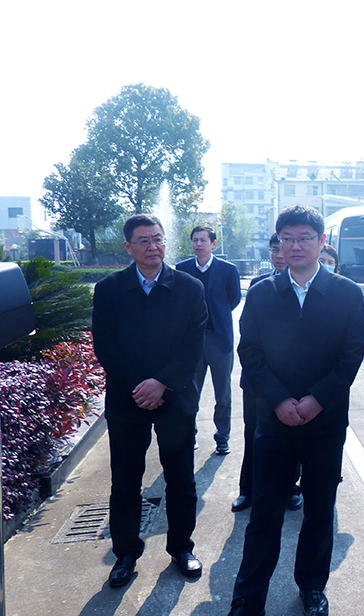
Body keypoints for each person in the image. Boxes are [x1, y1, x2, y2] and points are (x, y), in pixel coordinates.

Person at [228, 205, 364, 616]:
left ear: (321, 242)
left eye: (304, 237)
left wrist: (316, 399)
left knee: (319, 511)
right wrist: (279, 400)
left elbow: (351, 356)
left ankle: (312, 587)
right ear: (278, 244)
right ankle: (248, 598)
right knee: (264, 514)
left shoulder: (346, 293)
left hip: (325, 423)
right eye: (287, 239)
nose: (295, 246)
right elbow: (250, 352)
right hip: (274, 423)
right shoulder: (262, 293)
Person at [92, 214, 208, 588]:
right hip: (128, 402)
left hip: (175, 399)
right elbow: (104, 345)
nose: (153, 246)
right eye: (143, 240)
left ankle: (182, 548)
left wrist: (162, 384)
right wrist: (140, 387)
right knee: (126, 481)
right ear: (128, 247)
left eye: (158, 238)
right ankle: (126, 553)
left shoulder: (189, 288)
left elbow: (193, 344)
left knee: (181, 478)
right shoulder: (110, 289)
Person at [232, 234, 302, 514]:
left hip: (290, 380)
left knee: (292, 436)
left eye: (282, 249)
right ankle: (247, 489)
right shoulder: (259, 286)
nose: (280, 255)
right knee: (254, 434)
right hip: (258, 381)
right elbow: (248, 334)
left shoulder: (305, 287)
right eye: (275, 250)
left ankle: (291, 488)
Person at [176, 225, 241, 455]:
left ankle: (222, 437)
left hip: (219, 340)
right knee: (190, 390)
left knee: (223, 393)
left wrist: (218, 315)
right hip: (192, 341)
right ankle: (190, 433)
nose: (198, 244)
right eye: (195, 240)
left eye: (203, 240)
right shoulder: (183, 269)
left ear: (213, 243)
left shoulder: (227, 269)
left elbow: (234, 299)